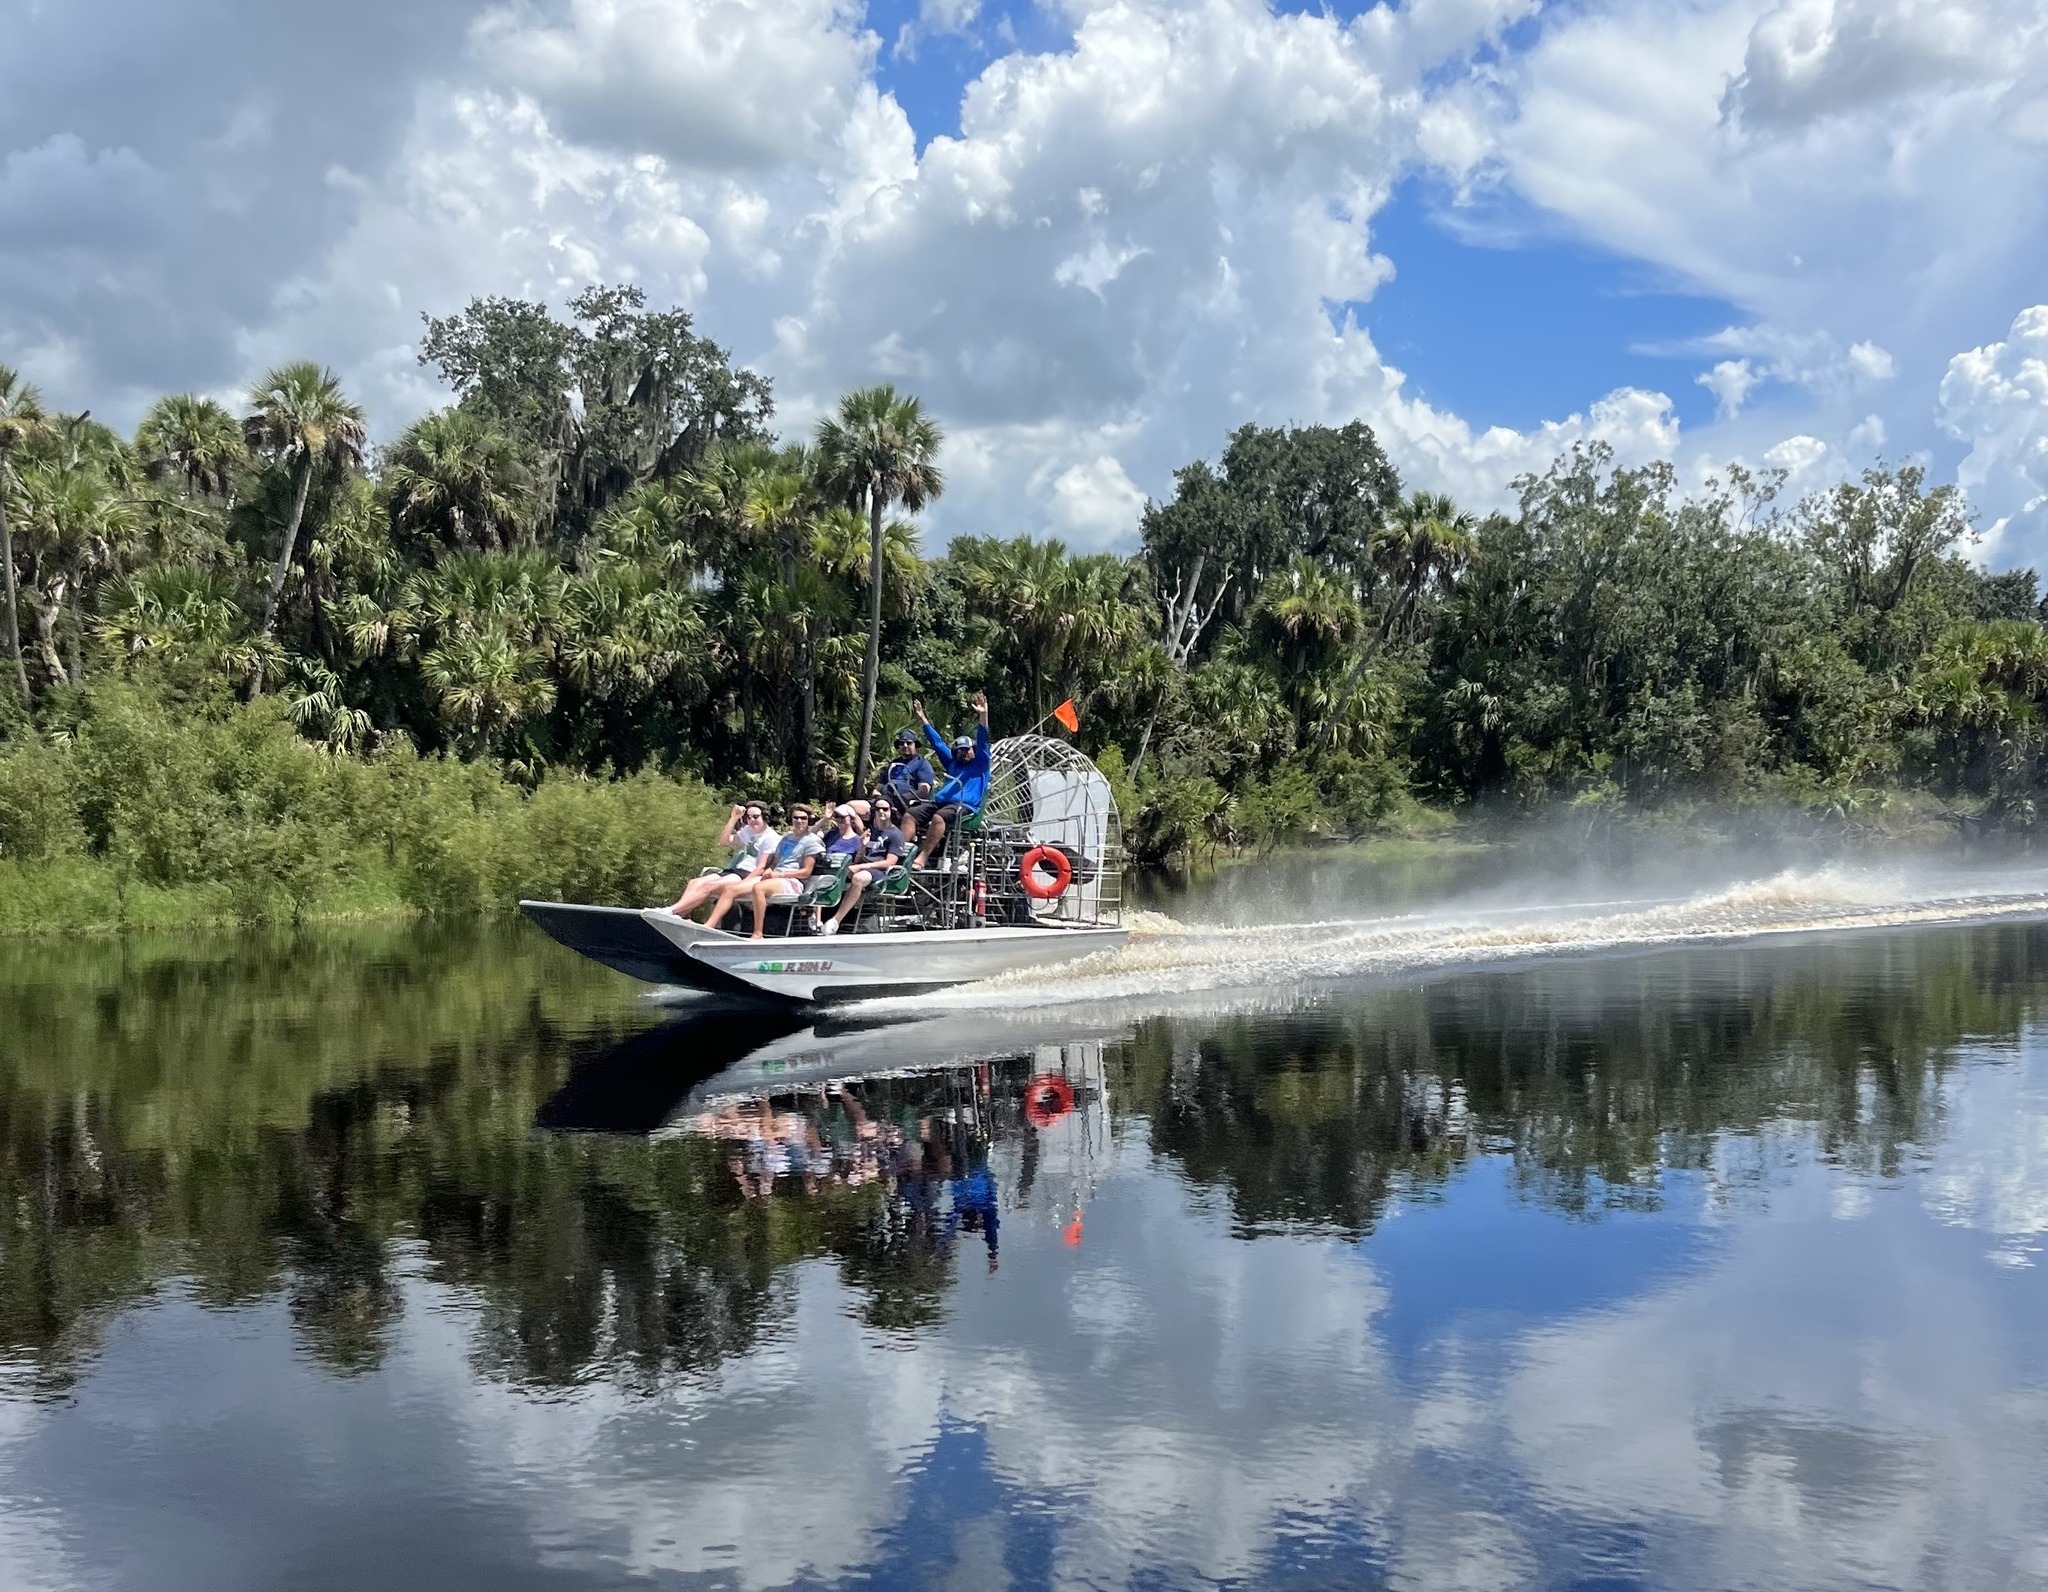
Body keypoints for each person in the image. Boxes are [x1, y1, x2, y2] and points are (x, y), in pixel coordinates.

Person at [713, 803, 826, 938]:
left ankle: (758, 933)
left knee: (759, 888)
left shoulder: (812, 842)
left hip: (792, 881)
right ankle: (709, 927)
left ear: (809, 821)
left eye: (803, 818)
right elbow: (775, 862)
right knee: (731, 889)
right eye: (796, 818)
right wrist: (770, 870)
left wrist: (779, 874)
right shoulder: (786, 838)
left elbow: (806, 872)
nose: (799, 821)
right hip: (775, 877)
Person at [909, 690, 991, 869]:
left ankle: (922, 857)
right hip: (943, 802)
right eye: (961, 750)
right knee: (910, 814)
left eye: (967, 749)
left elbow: (983, 739)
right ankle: (901, 853)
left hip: (965, 805)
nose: (964, 752)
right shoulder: (953, 763)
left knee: (939, 818)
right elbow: (937, 743)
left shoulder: (981, 763)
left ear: (973, 749)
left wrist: (983, 715)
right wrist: (922, 718)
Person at [818, 796, 909, 935]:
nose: (881, 812)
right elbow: (861, 857)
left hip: (881, 871)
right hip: (865, 865)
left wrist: (860, 867)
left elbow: (890, 862)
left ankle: (836, 920)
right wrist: (862, 847)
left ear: (891, 810)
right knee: (830, 872)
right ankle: (817, 918)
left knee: (858, 878)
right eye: (878, 809)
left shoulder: (895, 835)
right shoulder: (871, 831)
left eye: (885, 809)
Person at [666, 802, 776, 916]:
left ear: (765, 817)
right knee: (695, 883)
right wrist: (734, 818)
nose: (752, 820)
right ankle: (677, 915)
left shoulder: (770, 837)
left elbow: (761, 867)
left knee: (709, 886)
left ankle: (671, 910)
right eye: (748, 817)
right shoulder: (749, 831)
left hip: (747, 874)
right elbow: (724, 841)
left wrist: (743, 884)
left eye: (756, 817)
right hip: (735, 871)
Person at [882, 730, 937, 812]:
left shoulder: (922, 764)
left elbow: (923, 791)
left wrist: (904, 798)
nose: (905, 746)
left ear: (915, 745)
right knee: (857, 807)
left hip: (906, 805)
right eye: (901, 743)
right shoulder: (893, 764)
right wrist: (877, 797)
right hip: (884, 802)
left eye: (909, 743)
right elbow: (879, 786)